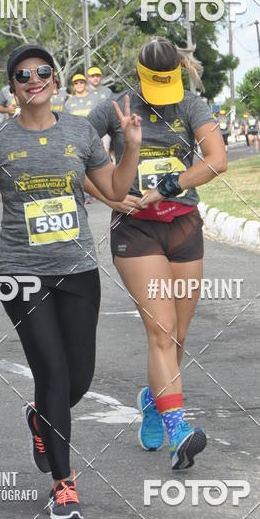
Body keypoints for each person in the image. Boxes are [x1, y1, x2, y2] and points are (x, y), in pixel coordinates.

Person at [0, 43, 141, 519]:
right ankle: (63, 484)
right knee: (52, 374)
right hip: (21, 273)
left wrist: (131, 147)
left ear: (54, 81)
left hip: (77, 269)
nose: (34, 80)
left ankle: (39, 418)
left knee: (79, 379)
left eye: (42, 72)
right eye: (23, 75)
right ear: (13, 87)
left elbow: (115, 191)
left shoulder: (80, 131)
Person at [87, 36, 227, 470]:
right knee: (162, 332)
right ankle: (177, 431)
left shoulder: (190, 104)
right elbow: (73, 155)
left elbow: (217, 159)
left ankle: (154, 400)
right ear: (140, 76)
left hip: (183, 226)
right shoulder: (114, 108)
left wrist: (172, 184)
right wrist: (110, 198)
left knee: (178, 337)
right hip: (136, 231)